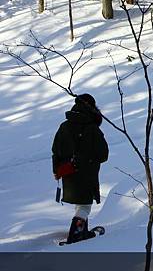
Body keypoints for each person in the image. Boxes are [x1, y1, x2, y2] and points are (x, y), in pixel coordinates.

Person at [52, 93, 109, 244]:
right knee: (84, 205)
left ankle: (82, 231)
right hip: (86, 172)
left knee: (80, 203)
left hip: (67, 171)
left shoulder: (64, 126)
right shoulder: (91, 128)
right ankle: (76, 234)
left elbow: (55, 150)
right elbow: (103, 155)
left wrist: (56, 170)